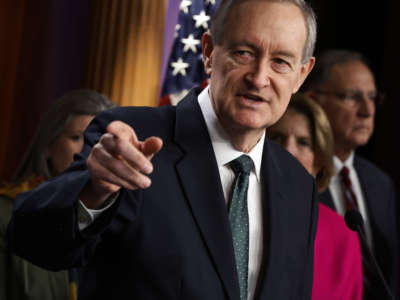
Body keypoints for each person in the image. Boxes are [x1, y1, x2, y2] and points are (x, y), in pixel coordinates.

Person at [7, 1, 318, 299]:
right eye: (244, 53)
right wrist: (94, 192)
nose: (259, 77)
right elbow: (30, 240)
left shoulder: (299, 186)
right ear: (209, 52)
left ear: (301, 74)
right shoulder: (132, 142)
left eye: (280, 62)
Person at [0, 89, 115, 300]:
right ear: (48, 145)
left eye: (102, 140)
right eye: (77, 137)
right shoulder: (5, 214)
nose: (92, 149)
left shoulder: (119, 221)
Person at [302, 49, 399, 299]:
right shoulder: (297, 178)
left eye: (372, 97)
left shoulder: (380, 183)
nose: (367, 110)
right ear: (314, 100)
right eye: (351, 97)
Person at [267, 93, 363, 300]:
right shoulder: (237, 212)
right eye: (276, 137)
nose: (288, 150)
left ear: (318, 162)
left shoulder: (343, 235)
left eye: (303, 142)